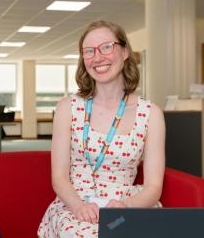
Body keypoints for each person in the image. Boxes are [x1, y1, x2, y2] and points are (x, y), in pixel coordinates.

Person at [38, 20, 165, 237]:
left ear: (125, 52)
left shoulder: (151, 114)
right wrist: (78, 206)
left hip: (127, 204)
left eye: (106, 47)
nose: (97, 57)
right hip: (76, 204)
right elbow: (59, 177)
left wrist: (126, 206)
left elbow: (153, 186)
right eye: (89, 51)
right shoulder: (67, 109)